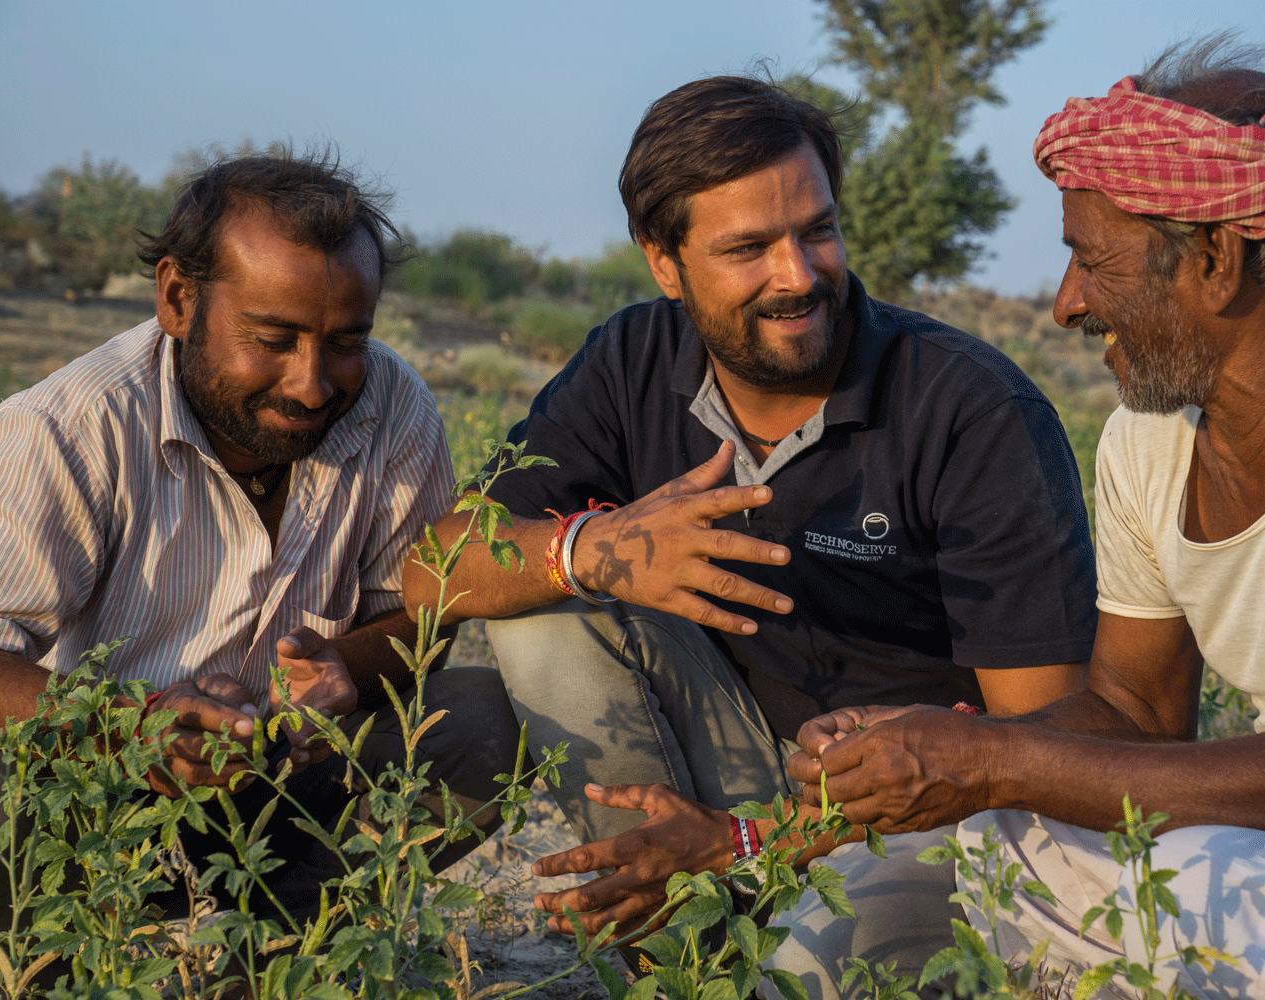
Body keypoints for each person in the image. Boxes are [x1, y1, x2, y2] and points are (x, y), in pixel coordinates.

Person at [779, 37, 1265, 999]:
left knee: (1213, 888)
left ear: (1216, 258)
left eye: (1090, 259)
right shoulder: (1150, 436)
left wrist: (992, 758)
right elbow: (1136, 714)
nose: (1070, 303)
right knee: (917, 869)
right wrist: (922, 747)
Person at [403, 75, 1099, 959]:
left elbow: (1045, 747)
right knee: (543, 615)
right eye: (749, 248)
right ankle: (674, 952)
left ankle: (750, 934)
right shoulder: (632, 360)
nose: (798, 276)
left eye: (818, 230)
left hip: (922, 805)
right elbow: (431, 570)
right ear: (665, 261)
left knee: (800, 977)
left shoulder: (969, 409)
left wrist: (752, 839)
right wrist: (592, 549)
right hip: (731, 759)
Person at [0, 151, 521, 923]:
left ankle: (282, 959)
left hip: (285, 791)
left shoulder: (393, 406)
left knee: (489, 719)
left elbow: (422, 617)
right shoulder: (67, 430)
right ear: (178, 298)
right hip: (86, 808)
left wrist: (345, 668)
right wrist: (128, 730)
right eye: (273, 339)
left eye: (346, 341)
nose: (314, 384)